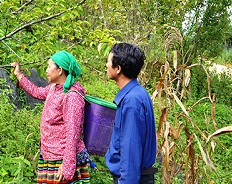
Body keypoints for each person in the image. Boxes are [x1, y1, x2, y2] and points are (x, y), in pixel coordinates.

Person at [11, 51, 91, 183]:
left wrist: (67, 167)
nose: (47, 70)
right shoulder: (55, 88)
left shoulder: (72, 96)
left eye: (49, 67)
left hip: (62, 160)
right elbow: (36, 91)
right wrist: (19, 75)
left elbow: (73, 133)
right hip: (49, 155)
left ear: (59, 70)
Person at [104, 43, 157, 184]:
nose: (106, 65)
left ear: (118, 69)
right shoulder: (138, 93)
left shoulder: (131, 102)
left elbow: (130, 152)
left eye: (109, 61)